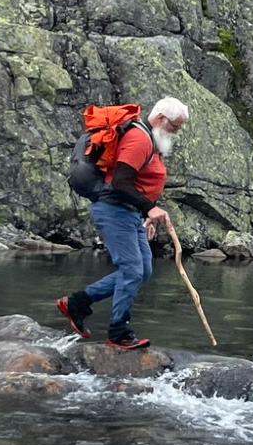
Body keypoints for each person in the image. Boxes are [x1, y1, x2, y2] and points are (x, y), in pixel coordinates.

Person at [56, 97, 188, 350]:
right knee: (132, 270)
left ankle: (76, 303)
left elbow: (138, 183)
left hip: (130, 213)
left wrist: (145, 213)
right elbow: (120, 181)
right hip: (115, 210)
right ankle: (119, 332)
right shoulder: (139, 139)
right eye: (175, 126)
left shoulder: (151, 141)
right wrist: (150, 208)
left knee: (144, 271)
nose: (177, 132)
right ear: (161, 118)